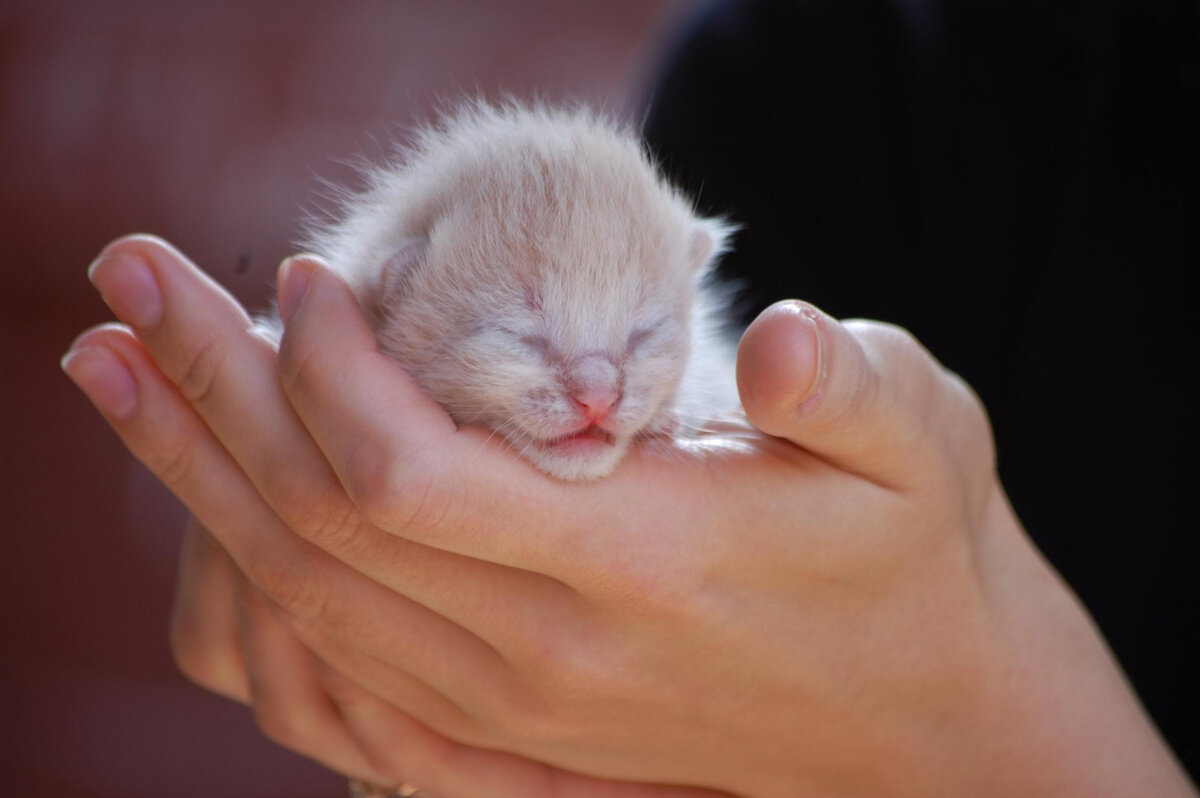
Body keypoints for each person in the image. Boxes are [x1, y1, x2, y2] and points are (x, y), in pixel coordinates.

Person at [61, 1, 1198, 795]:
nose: (600, 395)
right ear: (392, 300)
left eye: (646, 340)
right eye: (521, 335)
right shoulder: (828, 73)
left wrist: (995, 742)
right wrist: (418, 757)